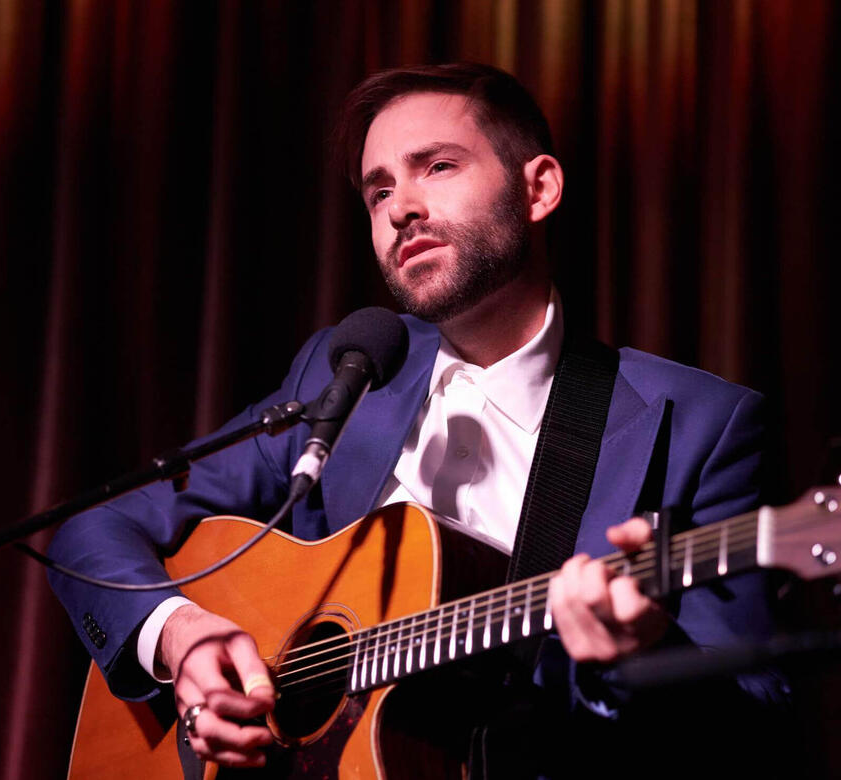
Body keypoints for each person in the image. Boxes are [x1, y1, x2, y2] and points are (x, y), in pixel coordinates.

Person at [48, 63, 789, 777]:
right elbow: (94, 529)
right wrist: (180, 636)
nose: (400, 206)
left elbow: (758, 717)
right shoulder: (346, 378)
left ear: (539, 189)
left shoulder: (699, 423)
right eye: (377, 192)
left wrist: (639, 656)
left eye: (436, 166)